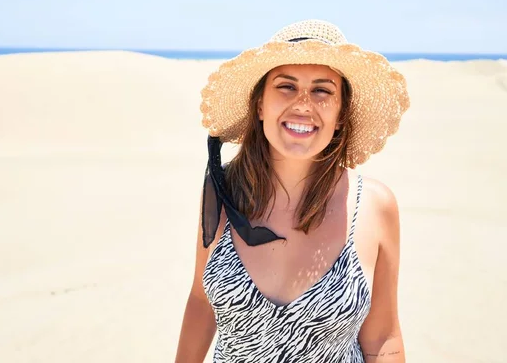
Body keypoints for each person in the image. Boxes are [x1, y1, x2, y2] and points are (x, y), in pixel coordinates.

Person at [175, 19, 410, 362]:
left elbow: (383, 337)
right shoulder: (222, 191)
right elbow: (200, 300)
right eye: (286, 86)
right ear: (260, 105)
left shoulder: (375, 206)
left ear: (341, 113)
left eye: (322, 90)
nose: (303, 104)